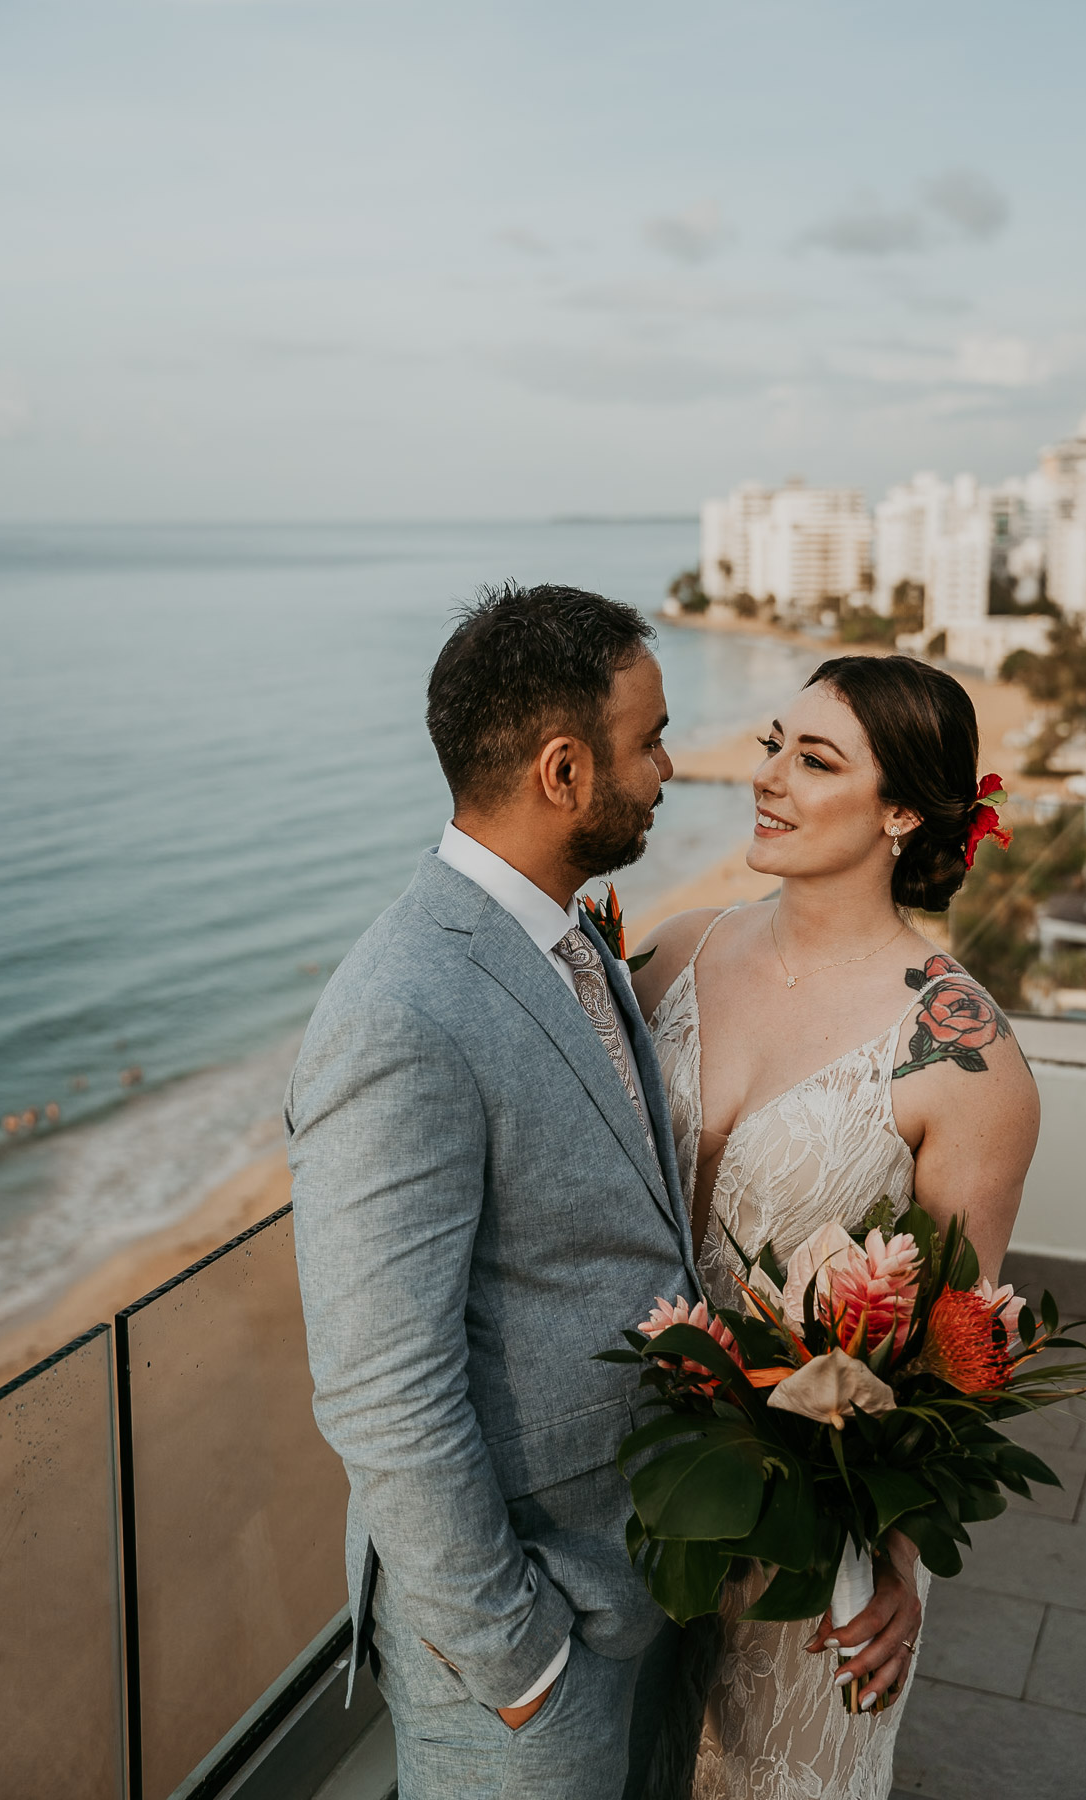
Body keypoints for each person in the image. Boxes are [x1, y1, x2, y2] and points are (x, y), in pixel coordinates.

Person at [287, 583, 699, 1800]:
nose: (674, 767)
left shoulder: (562, 940)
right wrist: (517, 1657)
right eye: (652, 738)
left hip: (631, 1575)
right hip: (527, 1634)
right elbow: (378, 1385)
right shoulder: (398, 1011)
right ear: (563, 770)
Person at [632, 654, 1039, 1800]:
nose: (768, 777)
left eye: (816, 760)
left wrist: (900, 1561)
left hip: (813, 1537)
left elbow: (961, 1343)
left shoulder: (962, 1052)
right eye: (773, 744)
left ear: (902, 811)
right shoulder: (673, 953)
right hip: (630, 1487)